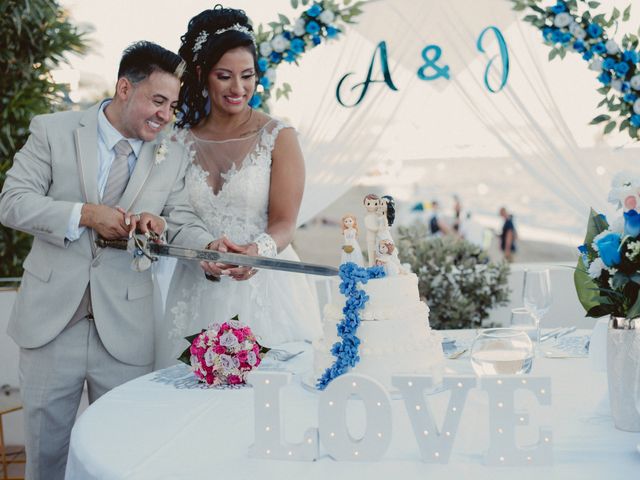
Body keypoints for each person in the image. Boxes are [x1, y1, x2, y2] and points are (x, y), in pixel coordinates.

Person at [0, 42, 221, 479]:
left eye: (172, 106)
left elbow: (178, 221)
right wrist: (83, 214)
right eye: (157, 101)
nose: (165, 115)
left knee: (124, 458)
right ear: (124, 87)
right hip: (50, 326)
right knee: (44, 460)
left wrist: (205, 247)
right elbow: (12, 202)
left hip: (126, 329)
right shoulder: (53, 129)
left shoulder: (171, 153)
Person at [155, 6, 322, 367]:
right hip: (195, 286)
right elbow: (176, 217)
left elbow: (284, 223)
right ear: (202, 74)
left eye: (247, 76)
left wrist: (256, 252)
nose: (238, 88)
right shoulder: (179, 141)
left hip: (265, 288)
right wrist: (205, 250)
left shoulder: (278, 136)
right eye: (224, 76)